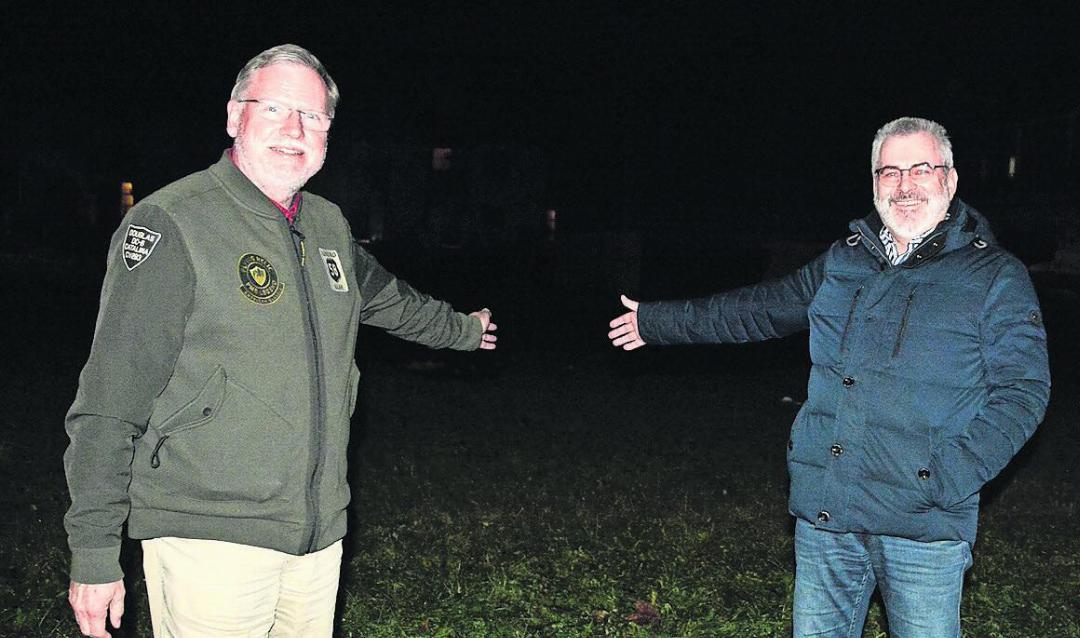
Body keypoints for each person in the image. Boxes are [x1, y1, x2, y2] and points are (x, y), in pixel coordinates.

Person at [64, 44, 497, 638]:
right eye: (273, 108)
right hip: (208, 535)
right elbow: (109, 402)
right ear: (234, 116)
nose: (295, 129)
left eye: (313, 117)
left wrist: (464, 330)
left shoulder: (325, 224)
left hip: (315, 533)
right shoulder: (173, 223)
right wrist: (93, 551)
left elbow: (389, 298)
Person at [607, 117, 1049, 637]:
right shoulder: (846, 261)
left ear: (949, 180)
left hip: (923, 525)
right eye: (890, 173)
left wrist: (948, 475)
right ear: (874, 183)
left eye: (921, 169)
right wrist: (656, 322)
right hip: (828, 512)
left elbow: (1023, 390)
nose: (905, 186)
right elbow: (760, 309)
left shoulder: (995, 276)